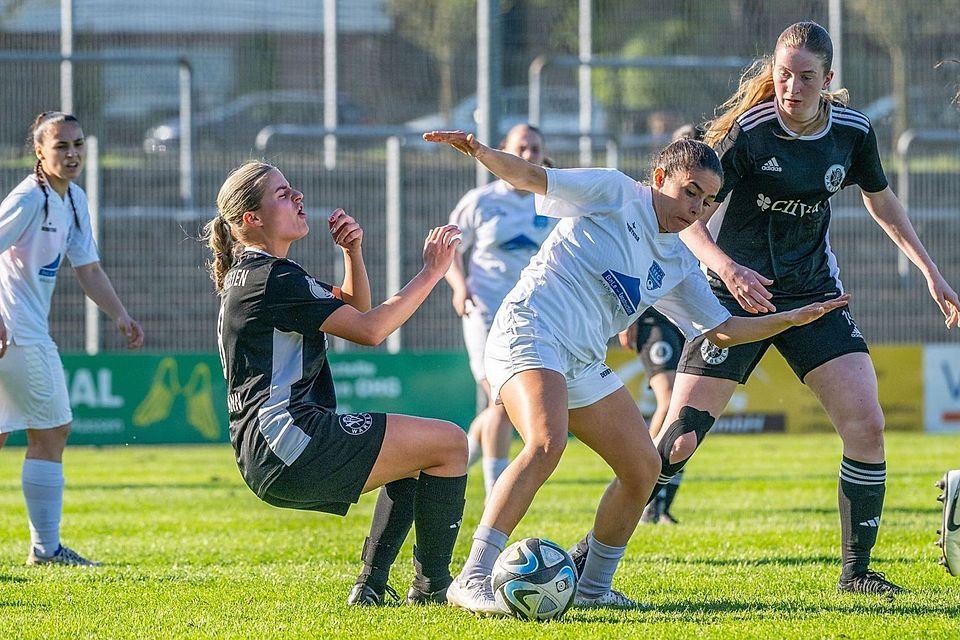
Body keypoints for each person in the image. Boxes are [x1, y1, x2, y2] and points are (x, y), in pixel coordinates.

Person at [423, 129, 849, 614]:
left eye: (709, 201)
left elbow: (723, 329)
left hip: (582, 359)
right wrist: (480, 152)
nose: (698, 209)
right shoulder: (613, 191)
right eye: (690, 192)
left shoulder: (680, 263)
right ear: (660, 177)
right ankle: (473, 577)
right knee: (546, 442)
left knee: (644, 468)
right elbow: (532, 177)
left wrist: (790, 319)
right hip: (530, 328)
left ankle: (592, 589)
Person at [619, 21, 960, 595]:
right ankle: (587, 558)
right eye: (783, 75)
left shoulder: (852, 132)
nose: (791, 88)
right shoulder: (747, 135)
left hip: (814, 296)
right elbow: (689, 220)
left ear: (827, 80)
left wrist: (932, 272)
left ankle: (857, 575)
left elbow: (882, 202)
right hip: (733, 297)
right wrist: (727, 269)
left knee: (868, 426)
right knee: (677, 441)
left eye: (805, 78)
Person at [204, 161, 468, 607]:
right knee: (451, 444)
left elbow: (356, 309)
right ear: (252, 218)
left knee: (420, 451)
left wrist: (352, 252)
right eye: (283, 194)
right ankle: (431, 590)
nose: (297, 197)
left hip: (269, 450)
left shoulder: (258, 274)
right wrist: (433, 271)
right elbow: (371, 330)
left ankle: (372, 588)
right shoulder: (273, 278)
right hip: (289, 442)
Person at [0, 111, 144, 566]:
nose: (72, 153)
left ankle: (46, 549)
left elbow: (89, 267)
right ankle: (46, 550)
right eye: (61, 146)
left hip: (19, 331)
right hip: (16, 331)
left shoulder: (74, 199)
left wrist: (120, 315)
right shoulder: (29, 199)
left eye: (78, 144)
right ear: (39, 153)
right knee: (53, 429)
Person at [444, 123, 557, 497]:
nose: (527, 157)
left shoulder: (552, 200)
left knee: (500, 404)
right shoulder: (480, 201)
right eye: (520, 148)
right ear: (504, 152)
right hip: (486, 310)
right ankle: (497, 490)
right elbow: (449, 250)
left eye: (534, 150)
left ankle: (465, 451)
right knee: (502, 398)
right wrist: (460, 288)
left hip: (531, 315)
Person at [626, 123, 706, 526]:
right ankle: (643, 483)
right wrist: (632, 315)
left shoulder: (707, 202)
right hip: (655, 313)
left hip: (692, 310)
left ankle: (660, 501)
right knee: (668, 397)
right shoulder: (654, 203)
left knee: (685, 412)